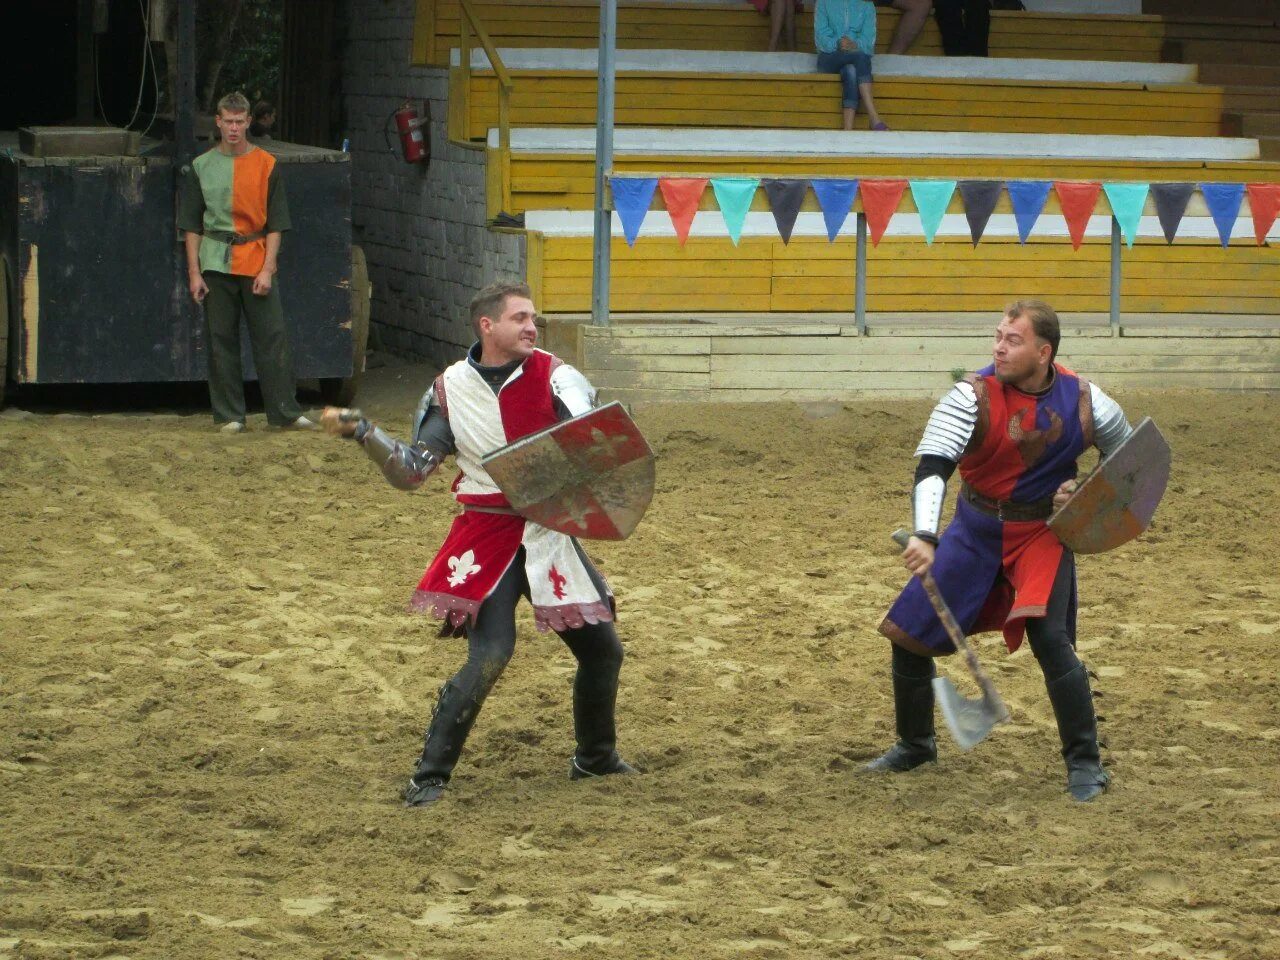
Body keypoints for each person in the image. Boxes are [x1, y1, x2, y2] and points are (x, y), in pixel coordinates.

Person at [320, 280, 635, 808]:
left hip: (547, 530)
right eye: (520, 318)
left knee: (603, 652)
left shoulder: (558, 377)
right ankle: (430, 776)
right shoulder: (449, 389)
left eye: (533, 317)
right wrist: (365, 433)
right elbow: (414, 472)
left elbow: (593, 441)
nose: (532, 327)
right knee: (490, 654)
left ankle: (595, 759)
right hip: (487, 535)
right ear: (487, 326)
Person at [865, 300, 1134, 802]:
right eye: (997, 336)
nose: (998, 347)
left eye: (1013, 340)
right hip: (975, 529)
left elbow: (1127, 466)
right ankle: (916, 744)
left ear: (1043, 351)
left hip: (1041, 536)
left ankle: (1085, 764)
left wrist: (1079, 491)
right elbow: (933, 466)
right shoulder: (971, 397)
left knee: (1051, 642)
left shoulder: (1086, 400)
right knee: (909, 633)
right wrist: (926, 535)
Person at [178, 91, 312, 433]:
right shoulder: (201, 166)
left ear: (249, 122)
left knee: (272, 335)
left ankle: (284, 411)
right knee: (220, 338)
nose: (234, 128)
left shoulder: (267, 164)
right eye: (228, 121)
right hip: (215, 260)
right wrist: (195, 273)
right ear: (219, 123)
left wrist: (268, 268)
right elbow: (191, 226)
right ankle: (230, 415)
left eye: (240, 121)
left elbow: (277, 224)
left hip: (254, 258)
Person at [815, 0, 889, 131]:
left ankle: (848, 130)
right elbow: (820, 37)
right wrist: (837, 43)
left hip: (855, 54)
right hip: (829, 57)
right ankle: (873, 116)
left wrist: (855, 44)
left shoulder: (867, 5)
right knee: (859, 56)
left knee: (851, 70)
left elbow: (869, 40)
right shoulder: (823, 2)